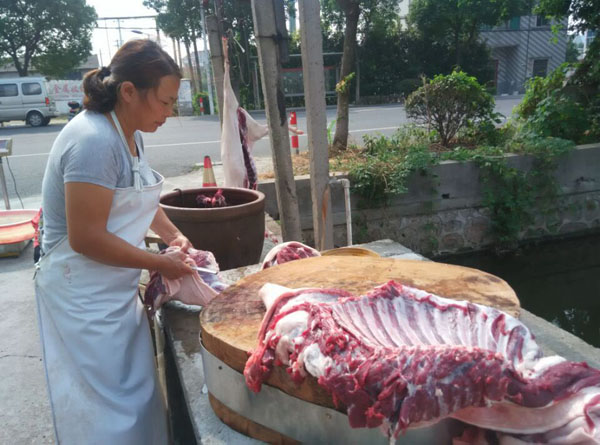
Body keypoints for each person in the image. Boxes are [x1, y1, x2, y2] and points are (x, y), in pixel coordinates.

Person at [34, 39, 194, 444]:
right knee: (105, 413)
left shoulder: (130, 132)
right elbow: (85, 238)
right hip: (80, 295)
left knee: (137, 399)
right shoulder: (93, 141)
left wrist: (173, 235)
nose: (169, 113)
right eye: (164, 102)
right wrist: (159, 262)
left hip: (114, 290)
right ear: (128, 92)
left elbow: (138, 195)